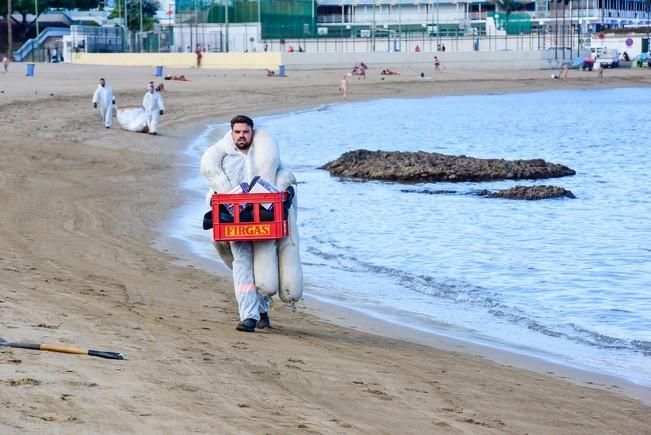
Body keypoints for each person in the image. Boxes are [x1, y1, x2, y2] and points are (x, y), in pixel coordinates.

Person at [200, 115, 302, 332]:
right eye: (237, 132)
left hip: (265, 220)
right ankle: (248, 317)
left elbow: (281, 177)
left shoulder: (265, 155)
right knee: (243, 266)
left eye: (245, 132)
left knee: (264, 266)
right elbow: (213, 189)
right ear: (231, 133)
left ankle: (262, 311)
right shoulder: (225, 159)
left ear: (252, 132)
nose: (241, 136)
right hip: (236, 222)